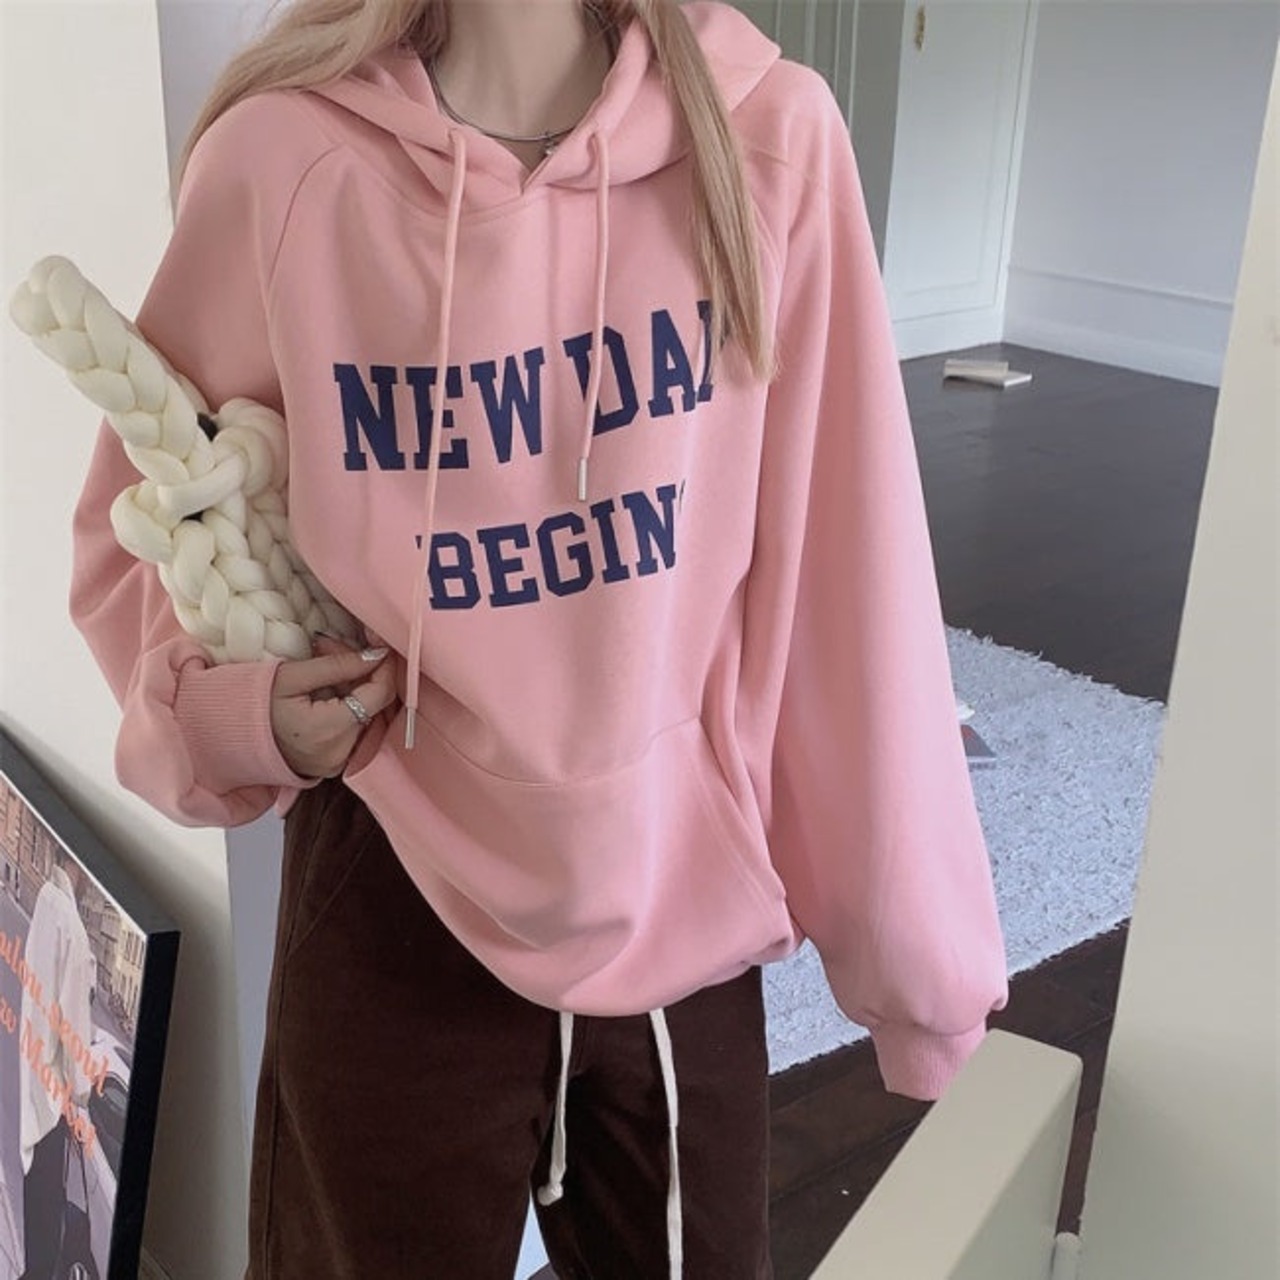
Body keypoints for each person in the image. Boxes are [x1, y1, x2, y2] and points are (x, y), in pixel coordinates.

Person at [68, 0, 1009, 1275]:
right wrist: (238, 718)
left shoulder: (765, 140)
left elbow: (852, 570)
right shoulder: (282, 162)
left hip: (673, 901)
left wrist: (922, 968)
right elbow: (135, 534)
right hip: (391, 887)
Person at [19, 847, 94, 1280]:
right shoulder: (74, 930)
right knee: (47, 1230)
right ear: (79, 868)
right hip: (52, 1104)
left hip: (32, 1079)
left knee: (34, 1205)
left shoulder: (46, 899)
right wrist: (85, 1094)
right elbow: (77, 1043)